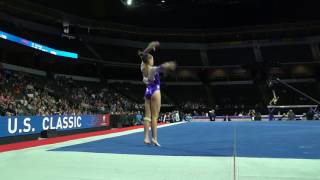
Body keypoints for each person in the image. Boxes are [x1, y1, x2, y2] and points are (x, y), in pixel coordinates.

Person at [139, 41, 176, 147]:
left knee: (147, 116)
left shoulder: (142, 67)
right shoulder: (152, 69)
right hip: (155, 90)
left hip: (147, 91)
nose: (153, 60)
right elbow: (162, 67)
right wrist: (169, 64)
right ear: (149, 61)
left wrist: (149, 47)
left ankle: (146, 137)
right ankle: (154, 139)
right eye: (152, 59)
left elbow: (143, 56)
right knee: (155, 116)